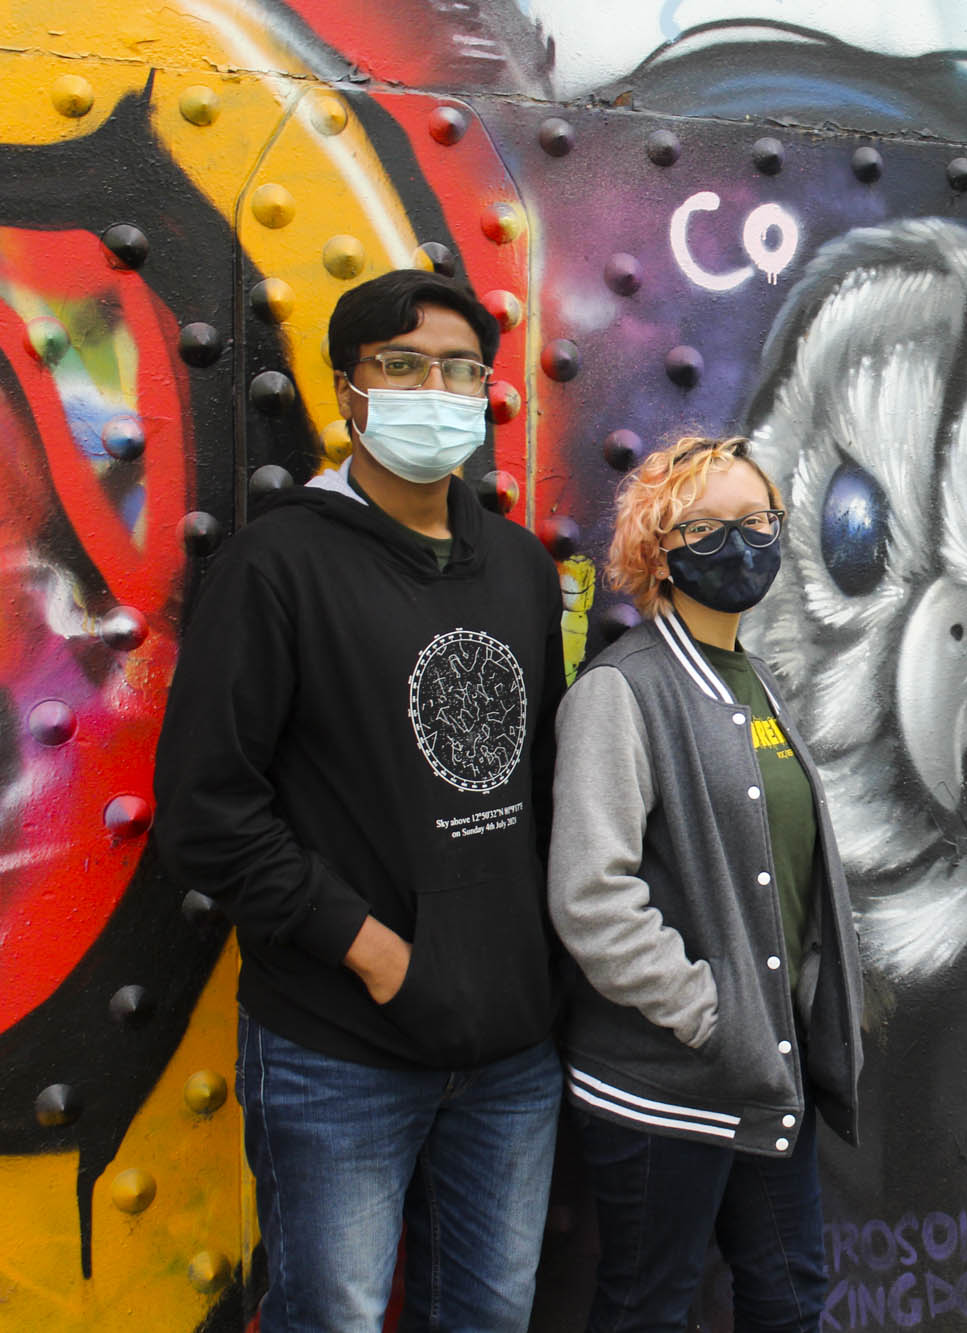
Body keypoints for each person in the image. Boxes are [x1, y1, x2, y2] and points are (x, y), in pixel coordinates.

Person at [152, 268, 566, 1330]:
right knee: (328, 1313)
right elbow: (209, 809)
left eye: (462, 369)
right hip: (338, 1050)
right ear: (350, 391)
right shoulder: (276, 567)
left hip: (512, 1053)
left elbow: (544, 785)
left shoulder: (518, 567)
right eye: (405, 365)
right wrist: (376, 952)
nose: (440, 389)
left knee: (489, 1314)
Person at [548, 435, 863, 1333]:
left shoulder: (756, 680)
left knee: (790, 1296)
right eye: (711, 525)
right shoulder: (622, 690)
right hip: (668, 1080)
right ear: (660, 547)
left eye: (760, 519)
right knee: (650, 1306)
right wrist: (713, 1015)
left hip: (767, 1066)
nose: (745, 541)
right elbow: (592, 896)